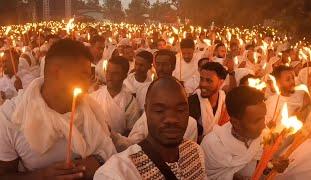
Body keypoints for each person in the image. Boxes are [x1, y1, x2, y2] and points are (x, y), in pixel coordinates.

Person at [0, 39, 116, 179]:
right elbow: (4, 175)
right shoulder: (11, 116)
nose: (88, 83)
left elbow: (108, 150)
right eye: (83, 75)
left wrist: (97, 161)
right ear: (57, 72)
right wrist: (42, 176)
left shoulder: (91, 108)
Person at [94, 77, 206, 180]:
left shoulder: (195, 151)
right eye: (159, 111)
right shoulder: (118, 172)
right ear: (146, 111)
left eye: (180, 110)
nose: (171, 119)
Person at [201, 86, 288, 179]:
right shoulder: (212, 144)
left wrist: (270, 165)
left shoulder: (260, 136)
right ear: (236, 123)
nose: (263, 126)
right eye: (256, 121)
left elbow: (256, 166)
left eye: (263, 118)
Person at [91, 56, 141, 136]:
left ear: (124, 76)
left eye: (115, 73)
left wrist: (115, 138)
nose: (109, 77)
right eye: (108, 72)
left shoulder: (131, 102)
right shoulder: (94, 96)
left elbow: (131, 131)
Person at [189, 62, 229, 140]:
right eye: (201, 79)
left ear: (221, 82)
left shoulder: (225, 102)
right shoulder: (192, 102)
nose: (203, 84)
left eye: (209, 81)